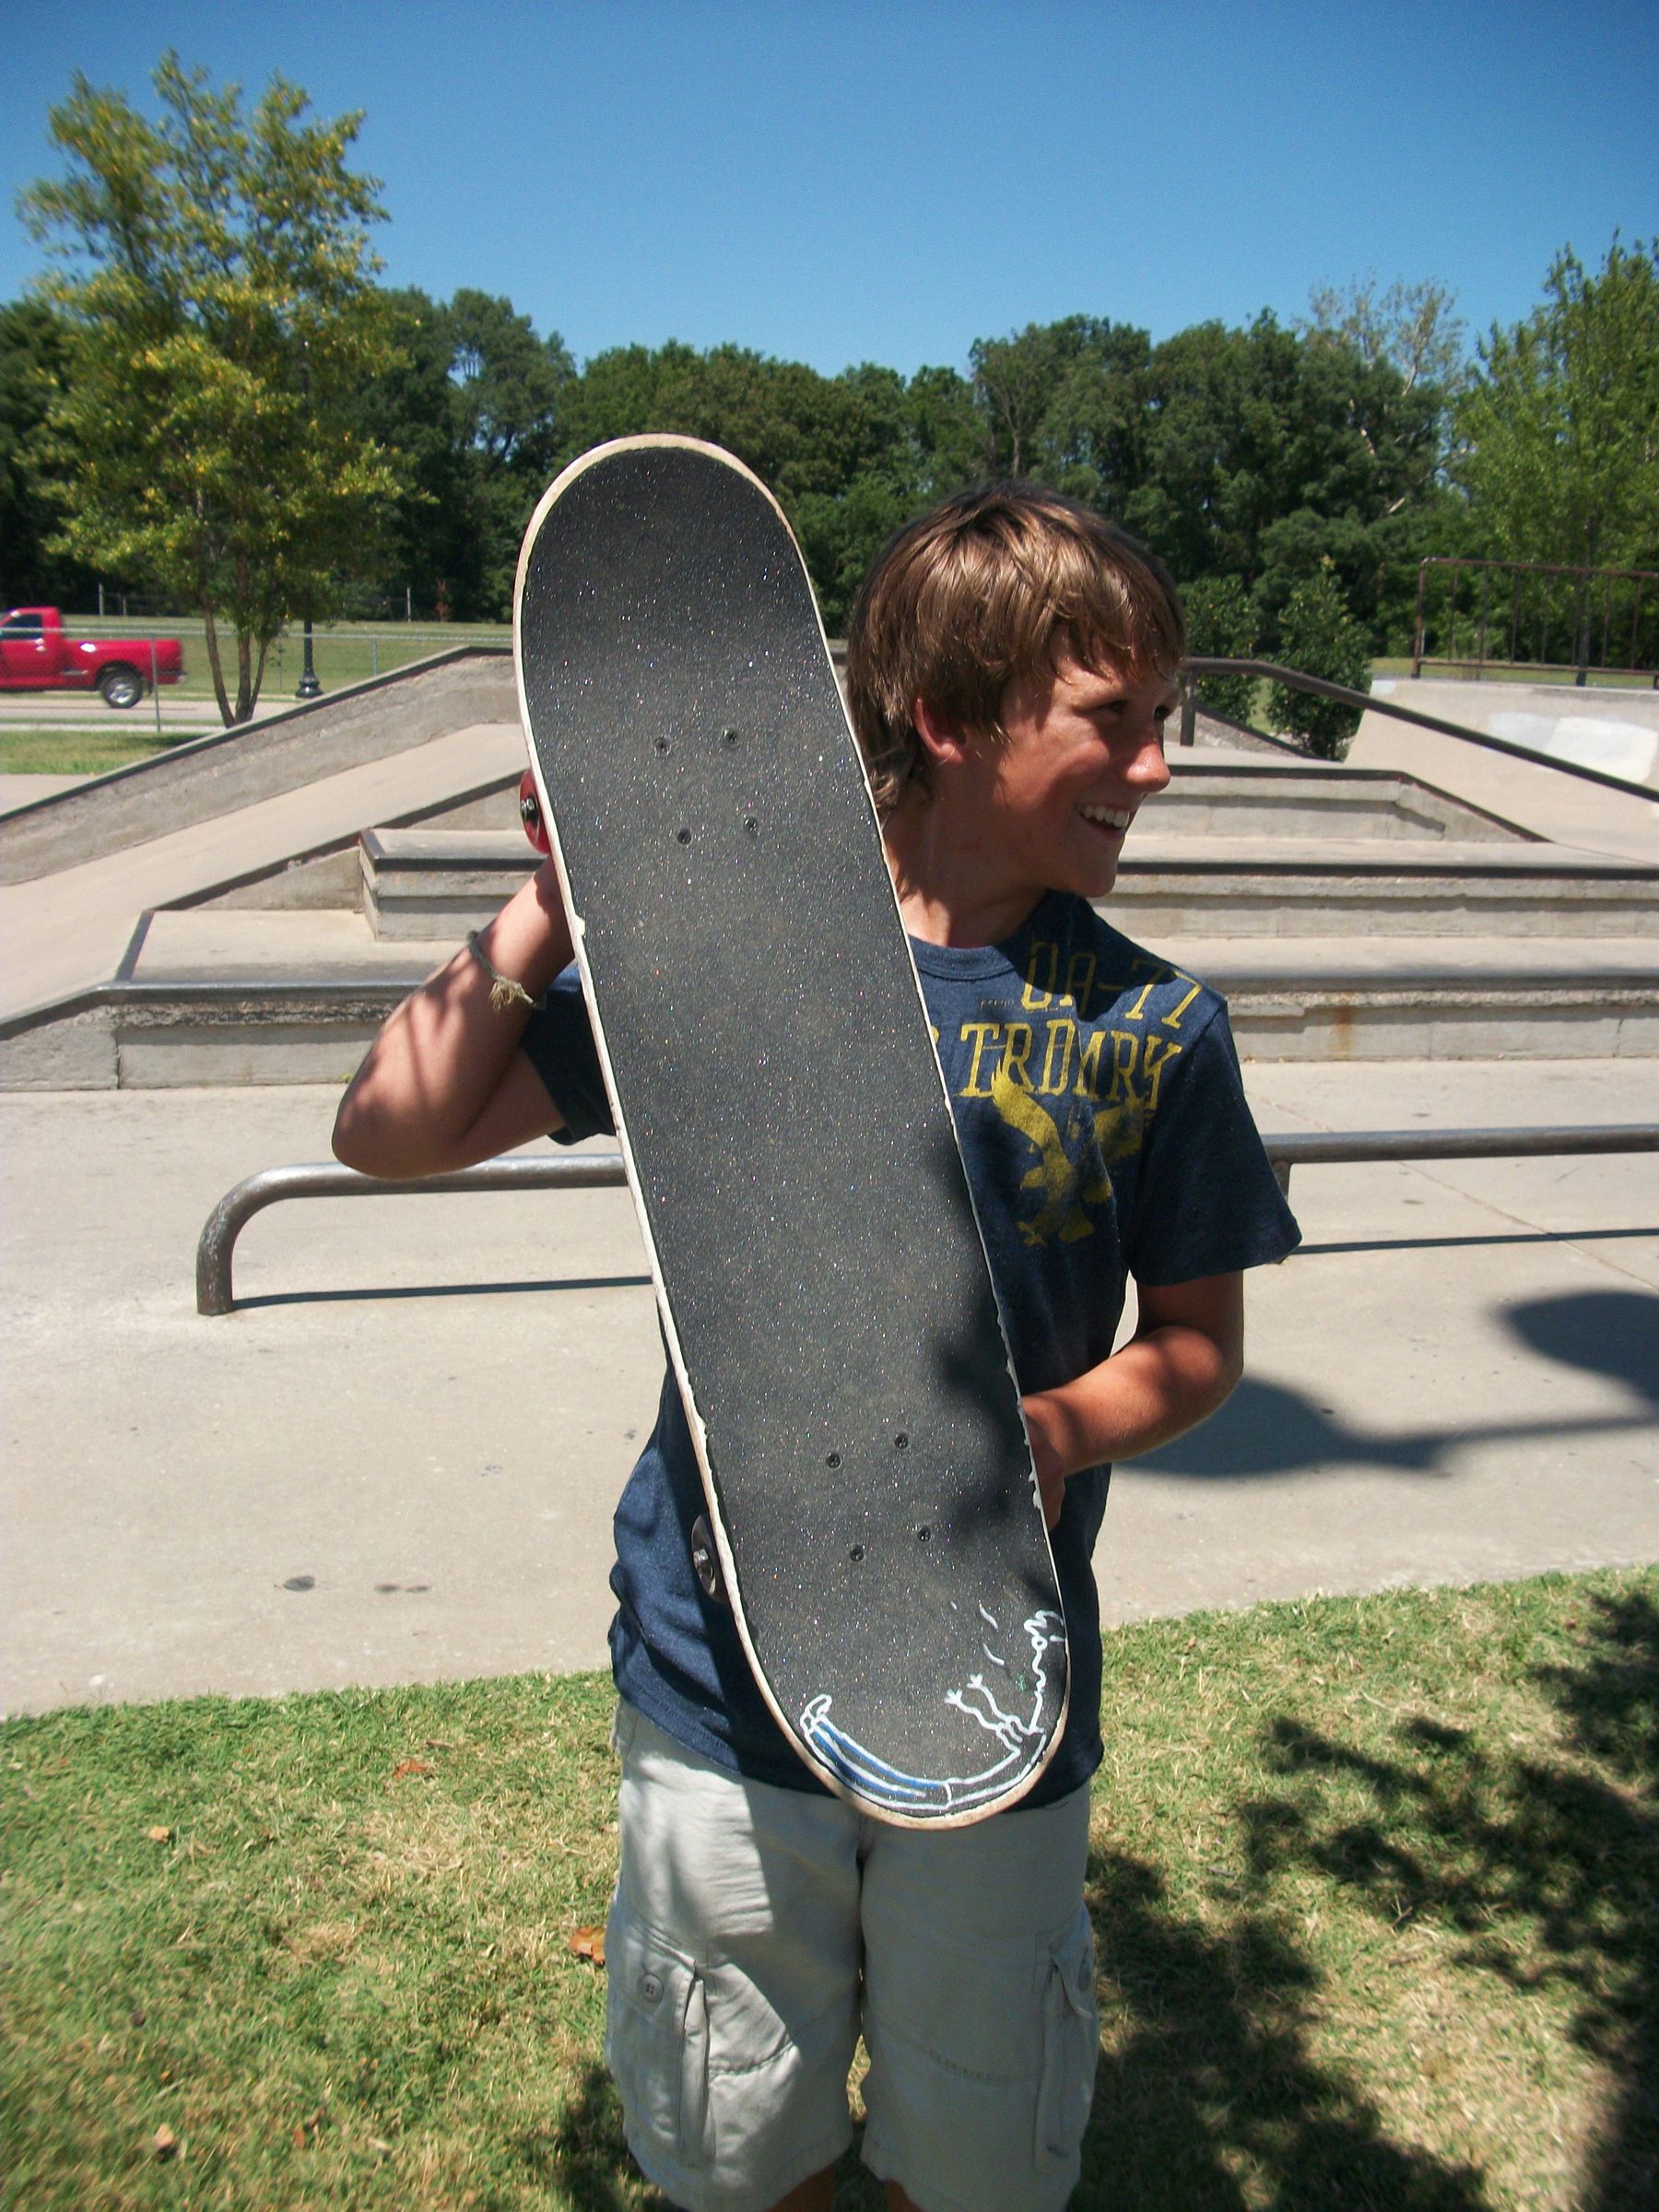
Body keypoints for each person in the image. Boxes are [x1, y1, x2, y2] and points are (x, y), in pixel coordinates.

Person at [334, 483, 1300, 2212]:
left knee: (979, 2162)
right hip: (718, 1682)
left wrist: (1062, 1431)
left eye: (1163, 725)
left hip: (998, 1693)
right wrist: (562, 901)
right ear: (951, 716)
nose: (1154, 769)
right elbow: (387, 1132)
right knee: (738, 2150)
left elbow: (1203, 1348)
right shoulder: (722, 953)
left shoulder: (1159, 1026)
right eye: (1113, 721)